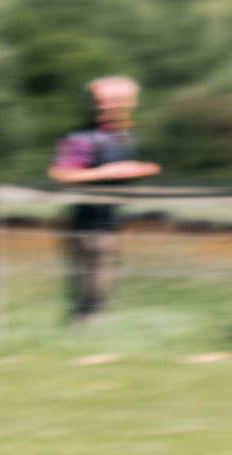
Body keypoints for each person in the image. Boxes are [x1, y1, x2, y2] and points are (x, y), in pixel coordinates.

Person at [48, 76, 161, 323]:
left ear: (127, 103)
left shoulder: (127, 137)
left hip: (112, 227)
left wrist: (137, 172)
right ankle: (81, 339)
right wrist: (113, 171)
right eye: (97, 101)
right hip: (87, 230)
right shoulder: (81, 138)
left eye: (108, 101)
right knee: (91, 297)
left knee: (103, 295)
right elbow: (61, 174)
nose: (100, 106)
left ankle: (87, 337)